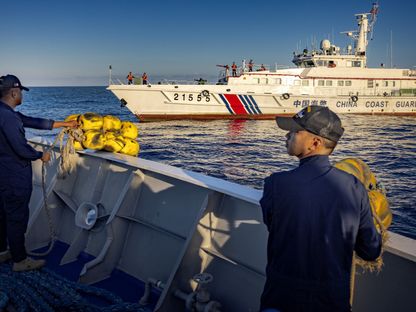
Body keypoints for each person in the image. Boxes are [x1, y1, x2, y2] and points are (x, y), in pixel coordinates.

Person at [260, 106, 381, 312]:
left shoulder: (275, 184)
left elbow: (273, 224)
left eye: (294, 131)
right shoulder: (354, 187)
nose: (287, 135)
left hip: (281, 298)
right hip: (331, 301)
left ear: (315, 143)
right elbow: (370, 250)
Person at [0, 74, 78, 272]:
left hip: (3, 174)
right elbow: (20, 148)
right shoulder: (9, 118)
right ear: (13, 92)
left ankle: (3, 252)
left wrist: (64, 125)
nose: (22, 96)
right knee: (17, 217)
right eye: (20, 92)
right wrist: (39, 155)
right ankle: (20, 260)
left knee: (3, 214)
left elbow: (32, 121)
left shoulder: (6, 113)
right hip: (13, 176)